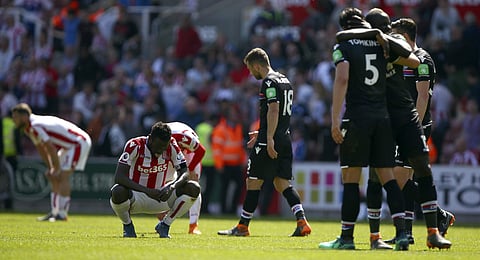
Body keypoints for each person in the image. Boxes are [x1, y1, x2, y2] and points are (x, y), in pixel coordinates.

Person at [318, 7, 409, 251]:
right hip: (383, 118)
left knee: (351, 179)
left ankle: (346, 238)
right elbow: (409, 60)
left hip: (357, 118)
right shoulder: (380, 42)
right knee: (387, 178)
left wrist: (335, 119)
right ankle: (399, 235)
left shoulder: (343, 45)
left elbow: (343, 78)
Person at [218, 47, 312, 237]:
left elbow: (274, 109)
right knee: (282, 183)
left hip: (272, 139)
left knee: (253, 181)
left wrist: (268, 138)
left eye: (250, 69)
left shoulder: (268, 82)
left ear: (257, 65)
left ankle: (243, 227)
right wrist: (262, 132)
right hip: (285, 136)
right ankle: (302, 221)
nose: (251, 73)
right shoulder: (284, 79)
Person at [110, 121, 200, 238]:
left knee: (194, 188)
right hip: (136, 197)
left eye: (164, 147)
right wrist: (147, 191)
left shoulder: (171, 144)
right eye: (158, 147)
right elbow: (119, 177)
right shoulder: (134, 145)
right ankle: (127, 226)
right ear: (151, 139)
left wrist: (172, 187)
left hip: (162, 196)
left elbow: (185, 172)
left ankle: (165, 225)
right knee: (117, 191)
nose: (161, 151)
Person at [11, 103, 92, 221]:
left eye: (15, 117)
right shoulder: (29, 128)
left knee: (62, 176)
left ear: (23, 116)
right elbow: (41, 148)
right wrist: (50, 168)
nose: (14, 121)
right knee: (54, 176)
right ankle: (55, 212)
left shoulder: (35, 125)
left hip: (78, 143)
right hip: (68, 146)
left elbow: (50, 148)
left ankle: (62, 214)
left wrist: (56, 168)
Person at [156, 121, 206, 235]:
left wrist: (191, 168)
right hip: (172, 155)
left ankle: (193, 225)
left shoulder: (183, 138)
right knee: (163, 181)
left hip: (189, 153)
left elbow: (201, 151)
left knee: (194, 185)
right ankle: (162, 216)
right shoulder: (158, 140)